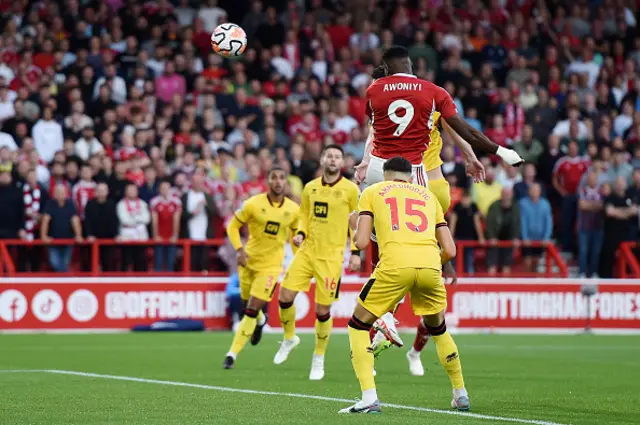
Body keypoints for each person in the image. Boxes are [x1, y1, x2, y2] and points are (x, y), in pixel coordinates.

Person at [340, 156, 467, 414]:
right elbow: (451, 250)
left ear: (384, 174)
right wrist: (431, 261)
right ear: (411, 176)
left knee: (357, 325)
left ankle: (369, 398)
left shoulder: (373, 191)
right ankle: (460, 393)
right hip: (431, 266)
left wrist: (354, 225)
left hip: (395, 266)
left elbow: (363, 242)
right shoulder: (428, 196)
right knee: (439, 330)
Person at [273, 145, 360, 380]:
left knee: (323, 311)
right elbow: (303, 214)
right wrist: (300, 232)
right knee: (284, 296)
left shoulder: (351, 190)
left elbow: (356, 225)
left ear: (342, 162)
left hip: (331, 258)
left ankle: (318, 357)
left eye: (337, 157)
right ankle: (290, 338)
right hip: (307, 252)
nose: (333, 159)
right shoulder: (310, 188)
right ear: (322, 160)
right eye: (329, 155)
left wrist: (355, 252)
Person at [223, 167, 300, 370]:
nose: (278, 181)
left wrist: (298, 258)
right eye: (274, 178)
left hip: (271, 267)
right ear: (268, 181)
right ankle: (261, 320)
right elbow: (232, 226)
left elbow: (296, 237)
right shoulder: (253, 204)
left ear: (286, 182)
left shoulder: (293, 210)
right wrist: (239, 249)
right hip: (248, 262)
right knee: (248, 304)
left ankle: (231, 354)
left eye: (282, 177)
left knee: (250, 309)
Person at [40, 184, 83, 272]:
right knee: (54, 262)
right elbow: (45, 221)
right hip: (53, 240)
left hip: (68, 240)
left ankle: (63, 280)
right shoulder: (50, 204)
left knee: (65, 262)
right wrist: (44, 236)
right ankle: (65, 278)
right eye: (58, 192)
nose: (60, 194)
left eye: (62, 192)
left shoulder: (70, 204)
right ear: (54, 194)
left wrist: (78, 235)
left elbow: (75, 221)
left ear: (66, 193)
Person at [180, 170, 217, 271]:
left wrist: (206, 206)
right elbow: (181, 216)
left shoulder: (207, 196)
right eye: (196, 182)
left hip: (204, 236)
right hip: (189, 236)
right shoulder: (185, 196)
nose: (198, 184)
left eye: (200, 182)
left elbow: (214, 213)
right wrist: (194, 212)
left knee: (204, 263)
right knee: (191, 263)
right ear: (191, 182)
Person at [485, 187, 520, 275]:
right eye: (504, 194)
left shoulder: (515, 207)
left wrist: (515, 237)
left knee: (507, 265)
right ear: (501, 195)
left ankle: (506, 286)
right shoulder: (494, 206)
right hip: (495, 239)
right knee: (492, 265)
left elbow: (517, 223)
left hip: (509, 240)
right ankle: (490, 286)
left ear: (512, 195)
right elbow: (489, 223)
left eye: (508, 194)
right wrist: (491, 237)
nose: (506, 196)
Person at [84, 183, 119, 271]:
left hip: (108, 239)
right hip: (93, 238)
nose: (101, 193)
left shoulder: (111, 204)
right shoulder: (90, 204)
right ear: (95, 192)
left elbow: (114, 221)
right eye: (99, 190)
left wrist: (116, 234)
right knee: (90, 263)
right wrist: (89, 234)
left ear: (107, 192)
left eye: (103, 190)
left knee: (108, 262)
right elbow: (87, 221)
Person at [519, 183, 553, 272]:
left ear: (540, 192)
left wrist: (546, 238)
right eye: (532, 190)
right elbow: (523, 221)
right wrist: (525, 238)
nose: (534, 192)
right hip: (527, 240)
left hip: (540, 240)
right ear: (529, 191)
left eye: (536, 190)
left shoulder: (545, 204)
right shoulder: (523, 203)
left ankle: (534, 284)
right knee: (527, 262)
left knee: (536, 262)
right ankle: (526, 284)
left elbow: (548, 222)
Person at [117, 183, 151, 271]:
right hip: (126, 234)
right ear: (126, 192)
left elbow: (147, 219)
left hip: (141, 235)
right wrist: (138, 219)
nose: (132, 192)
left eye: (134, 190)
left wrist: (133, 218)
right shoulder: (121, 204)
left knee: (141, 259)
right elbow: (124, 220)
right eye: (129, 190)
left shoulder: (142, 203)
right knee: (126, 259)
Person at [150, 180, 182, 272]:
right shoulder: (154, 201)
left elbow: (176, 219)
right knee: (158, 261)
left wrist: (175, 235)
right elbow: (154, 220)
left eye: (167, 188)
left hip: (171, 236)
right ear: (159, 189)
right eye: (163, 188)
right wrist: (156, 235)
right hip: (159, 236)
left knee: (170, 262)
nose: (165, 190)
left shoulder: (176, 201)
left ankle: (170, 284)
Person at [577, 172, 604, 278]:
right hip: (584, 226)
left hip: (598, 225)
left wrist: (589, 205)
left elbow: (603, 205)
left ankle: (593, 272)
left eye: (594, 178)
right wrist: (596, 205)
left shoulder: (601, 191)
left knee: (596, 251)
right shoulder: (582, 190)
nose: (592, 180)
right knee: (583, 251)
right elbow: (582, 205)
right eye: (590, 178)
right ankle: (582, 272)